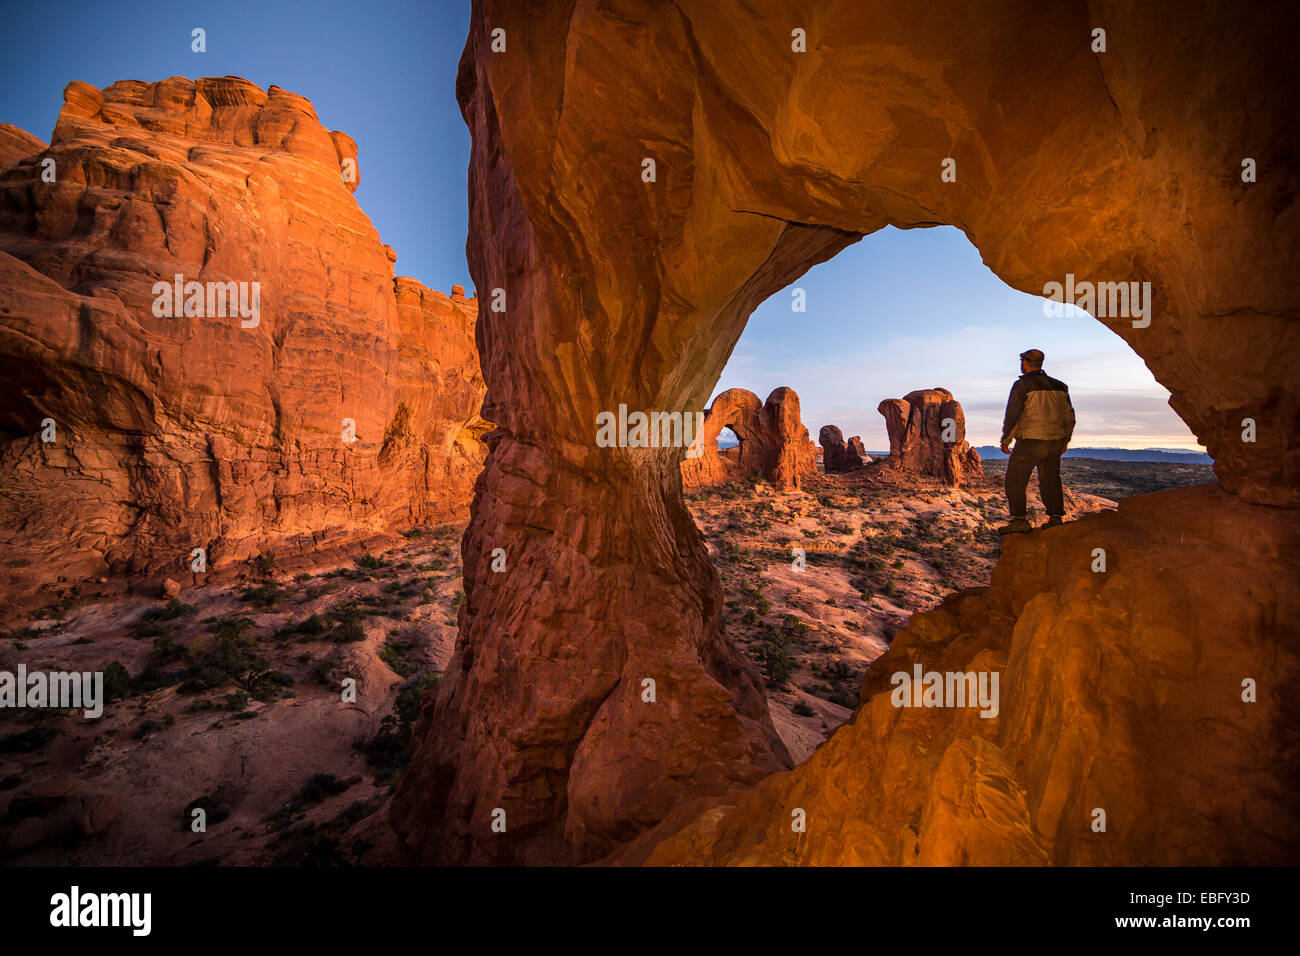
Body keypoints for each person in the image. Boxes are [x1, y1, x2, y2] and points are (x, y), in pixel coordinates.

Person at [998, 349, 1075, 534]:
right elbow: (1069, 416)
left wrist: (1005, 439)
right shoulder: (1060, 386)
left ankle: (1019, 520)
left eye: (1022, 361)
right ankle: (1055, 518)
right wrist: (1066, 439)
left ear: (1025, 362)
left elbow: (1013, 415)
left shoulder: (1022, 385)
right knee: (1050, 479)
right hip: (1054, 441)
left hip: (1032, 441)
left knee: (1015, 480)